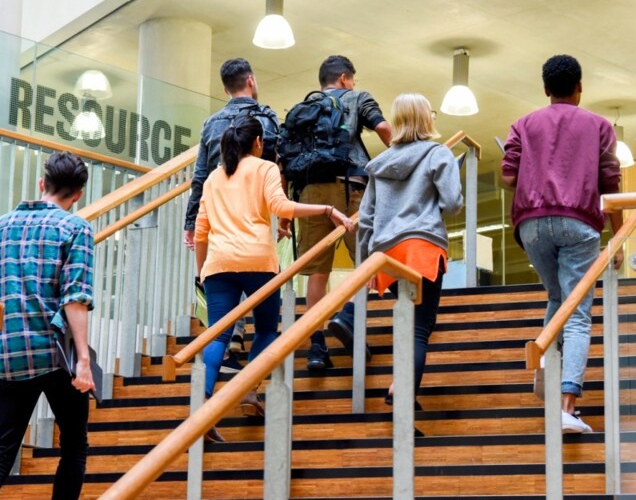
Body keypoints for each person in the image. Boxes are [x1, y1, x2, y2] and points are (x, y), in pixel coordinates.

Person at [195, 120, 353, 438]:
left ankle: (205, 402)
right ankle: (249, 390)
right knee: (266, 330)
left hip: (218, 265)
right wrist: (327, 209)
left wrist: (201, 272)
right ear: (256, 141)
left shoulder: (213, 177)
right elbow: (281, 206)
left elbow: (201, 231)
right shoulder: (265, 168)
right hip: (258, 262)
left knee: (218, 336)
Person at [500, 55, 623, 434]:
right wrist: (617, 237)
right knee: (579, 311)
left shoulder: (523, 124)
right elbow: (611, 185)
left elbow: (507, 176)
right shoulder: (600, 126)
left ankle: (547, 375)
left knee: (558, 298)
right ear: (580, 86)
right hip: (578, 222)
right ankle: (567, 403)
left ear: (545, 89)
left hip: (532, 224)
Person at [0, 151, 96, 499]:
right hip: (55, 352)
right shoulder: (76, 227)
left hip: (10, 350)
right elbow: (75, 298)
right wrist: (84, 361)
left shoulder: (3, 224)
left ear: (42, 184)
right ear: (78, 194)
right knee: (74, 447)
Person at [354, 93, 462, 421]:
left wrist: (366, 264)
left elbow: (366, 218)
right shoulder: (437, 154)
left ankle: (399, 389)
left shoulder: (380, 164)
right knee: (419, 328)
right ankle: (401, 389)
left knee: (405, 324)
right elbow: (453, 203)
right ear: (426, 118)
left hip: (388, 253)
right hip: (422, 247)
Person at [287, 55, 391, 371]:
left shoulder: (303, 108)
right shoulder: (358, 98)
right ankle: (349, 319)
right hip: (350, 189)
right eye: (353, 80)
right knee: (366, 264)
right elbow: (383, 127)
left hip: (310, 192)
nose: (354, 84)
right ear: (345, 78)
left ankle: (316, 346)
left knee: (318, 273)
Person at [184, 58, 283, 371]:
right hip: (256, 220)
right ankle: (247, 369)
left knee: (221, 304)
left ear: (225, 88)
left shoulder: (212, 124)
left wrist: (191, 223)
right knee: (264, 314)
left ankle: (231, 339)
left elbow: (199, 175)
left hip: (217, 219)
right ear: (250, 80)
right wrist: (287, 217)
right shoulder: (265, 118)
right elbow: (280, 166)